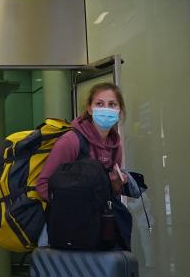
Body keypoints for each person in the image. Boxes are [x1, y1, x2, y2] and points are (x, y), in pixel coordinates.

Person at [36, 82, 131, 247]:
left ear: (119, 110)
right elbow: (43, 185)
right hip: (67, 229)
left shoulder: (116, 146)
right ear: (89, 109)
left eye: (112, 104)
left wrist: (116, 186)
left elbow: (105, 194)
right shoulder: (71, 141)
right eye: (99, 104)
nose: (106, 109)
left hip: (97, 227)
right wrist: (74, 206)